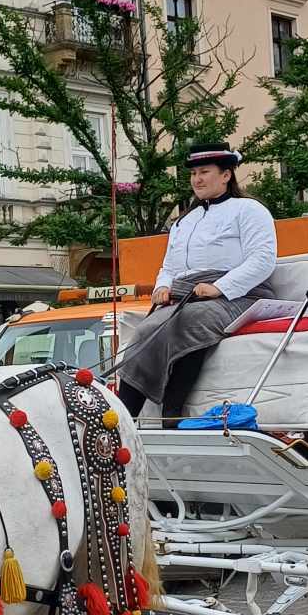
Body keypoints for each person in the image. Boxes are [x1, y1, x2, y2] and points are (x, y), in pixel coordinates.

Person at [116, 148, 278, 425]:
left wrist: (220, 287)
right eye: (193, 174)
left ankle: (172, 413)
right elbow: (169, 267)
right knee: (145, 331)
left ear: (226, 175)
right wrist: (163, 287)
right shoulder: (184, 221)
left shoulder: (249, 210)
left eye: (204, 172)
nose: (197, 180)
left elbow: (263, 260)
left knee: (190, 321)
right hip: (187, 294)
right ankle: (121, 419)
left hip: (241, 294)